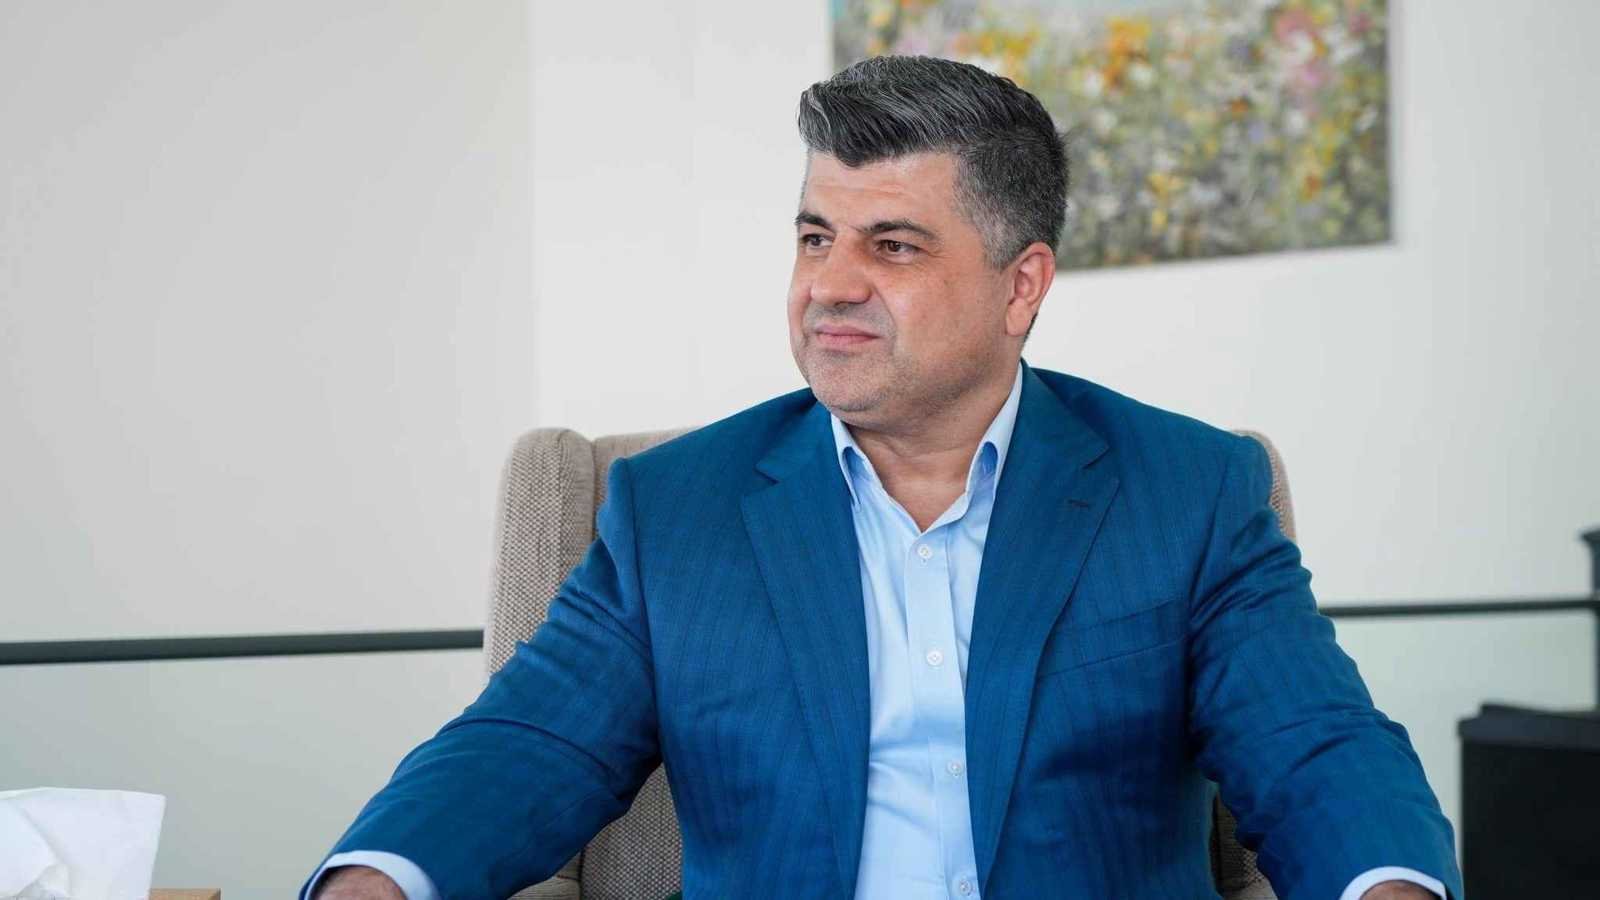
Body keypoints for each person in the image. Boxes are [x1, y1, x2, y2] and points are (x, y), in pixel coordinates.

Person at [305, 56, 1460, 900]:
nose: (829, 285)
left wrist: (1390, 886)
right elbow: (530, 743)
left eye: (891, 246)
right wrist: (378, 878)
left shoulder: (1188, 491)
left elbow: (1314, 745)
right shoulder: (676, 509)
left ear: (1020, 286)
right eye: (815, 237)